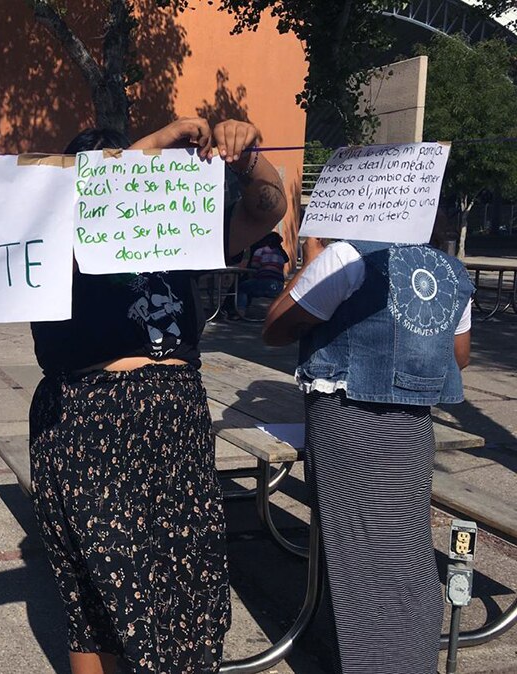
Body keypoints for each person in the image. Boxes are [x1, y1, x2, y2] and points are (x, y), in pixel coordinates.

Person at [29, 117, 287, 674]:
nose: (138, 170)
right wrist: (146, 149)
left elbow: (266, 208)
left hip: (173, 416)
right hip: (88, 418)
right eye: (120, 164)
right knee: (94, 596)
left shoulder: (174, 227)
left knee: (188, 579)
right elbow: (66, 220)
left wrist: (247, 160)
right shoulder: (53, 236)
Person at [261, 223, 473, 674]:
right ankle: (408, 662)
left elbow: (276, 327)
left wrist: (312, 260)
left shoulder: (346, 257)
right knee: (402, 553)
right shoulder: (449, 269)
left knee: (361, 553)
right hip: (412, 428)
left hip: (347, 420)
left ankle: (380, 663)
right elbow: (458, 356)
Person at [231, 231, 290, 317]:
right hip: (279, 285)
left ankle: (240, 312)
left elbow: (254, 268)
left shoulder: (260, 251)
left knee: (242, 287)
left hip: (264, 282)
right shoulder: (280, 253)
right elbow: (286, 259)